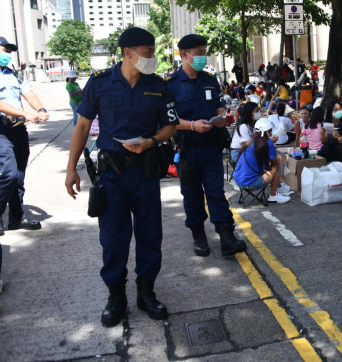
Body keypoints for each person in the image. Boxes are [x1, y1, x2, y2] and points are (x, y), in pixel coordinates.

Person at [64, 27, 179, 327]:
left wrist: (151, 142)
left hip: (146, 173)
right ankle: (116, 297)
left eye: (153, 51)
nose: (153, 57)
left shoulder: (158, 86)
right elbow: (82, 126)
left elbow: (170, 126)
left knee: (150, 236)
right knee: (113, 240)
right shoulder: (101, 83)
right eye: (147, 51)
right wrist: (70, 169)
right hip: (111, 176)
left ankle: (146, 293)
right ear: (128, 53)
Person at [166, 34, 246, 259]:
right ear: (184, 55)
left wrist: (222, 117)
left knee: (216, 193)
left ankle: (226, 237)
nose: (203, 57)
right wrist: (191, 126)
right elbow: (168, 119)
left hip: (211, 148)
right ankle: (198, 235)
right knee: (191, 195)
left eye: (203, 52)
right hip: (187, 150)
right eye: (199, 53)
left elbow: (219, 106)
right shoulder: (171, 86)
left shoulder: (209, 80)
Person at [0, 35, 49, 232]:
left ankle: (16, 218)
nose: (8, 54)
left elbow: (28, 93)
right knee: (9, 174)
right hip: (1, 130)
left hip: (18, 129)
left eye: (9, 51)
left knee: (19, 178)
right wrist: (24, 113)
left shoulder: (14, 74)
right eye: (4, 50)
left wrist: (40, 110)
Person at [233, 118, 291, 204]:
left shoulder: (250, 141)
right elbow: (275, 161)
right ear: (266, 132)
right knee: (277, 166)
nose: (271, 133)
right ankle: (273, 195)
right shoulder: (268, 144)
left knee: (269, 167)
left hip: (238, 179)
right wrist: (277, 154)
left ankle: (278, 186)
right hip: (251, 183)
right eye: (270, 131)